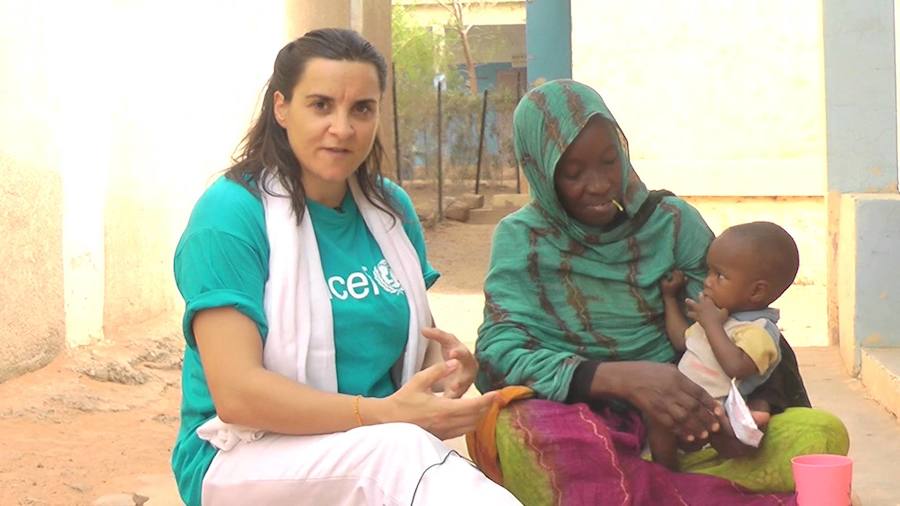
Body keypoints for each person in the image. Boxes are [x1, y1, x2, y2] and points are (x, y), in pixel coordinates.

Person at [172, 28, 520, 506]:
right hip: (240, 452)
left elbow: (419, 347)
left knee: (404, 453)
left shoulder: (388, 210)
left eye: (362, 108)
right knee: (399, 454)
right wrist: (383, 414)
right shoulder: (230, 215)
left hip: (372, 443)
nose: (343, 128)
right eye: (320, 105)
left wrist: (448, 369)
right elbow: (237, 396)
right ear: (281, 108)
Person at [467, 79, 849, 505]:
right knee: (526, 436)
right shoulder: (523, 239)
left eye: (610, 162)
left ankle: (650, 483)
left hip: (687, 416)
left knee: (820, 435)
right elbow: (498, 351)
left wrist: (727, 408)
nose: (598, 185)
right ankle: (678, 489)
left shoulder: (671, 222)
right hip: (580, 415)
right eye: (573, 173)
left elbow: (736, 313)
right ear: (540, 169)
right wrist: (620, 379)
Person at [651, 222, 800, 470]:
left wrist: (711, 325)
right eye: (708, 272)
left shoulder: (758, 330)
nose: (707, 282)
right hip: (686, 397)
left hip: (715, 407)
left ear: (756, 291)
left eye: (719, 276)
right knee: (655, 416)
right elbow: (682, 340)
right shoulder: (720, 318)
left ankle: (673, 474)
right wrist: (668, 299)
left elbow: (736, 367)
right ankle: (667, 475)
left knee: (665, 421)